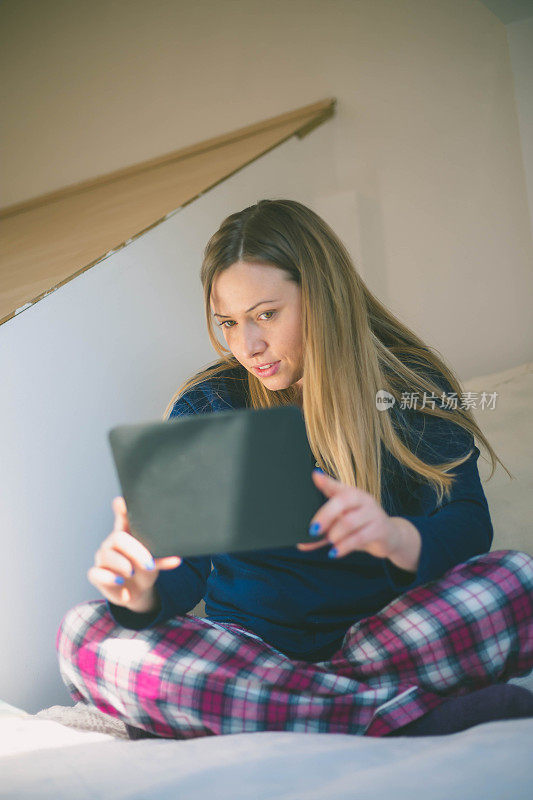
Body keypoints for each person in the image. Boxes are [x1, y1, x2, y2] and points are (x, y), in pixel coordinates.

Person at [56, 199, 533, 740]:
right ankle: (386, 714)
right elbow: (183, 572)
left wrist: (396, 536)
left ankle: (273, 713)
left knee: (516, 579)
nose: (248, 345)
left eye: (266, 314)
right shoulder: (211, 403)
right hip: (249, 652)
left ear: (323, 297)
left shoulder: (406, 385)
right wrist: (139, 591)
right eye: (229, 323)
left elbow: (470, 525)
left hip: (379, 641)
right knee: (86, 634)